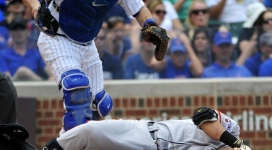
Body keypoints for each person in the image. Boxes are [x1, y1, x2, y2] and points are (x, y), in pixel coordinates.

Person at [22, 0, 169, 132]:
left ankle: (64, 143)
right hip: (58, 37)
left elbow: (139, 9)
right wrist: (36, 7)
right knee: (76, 89)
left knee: (100, 105)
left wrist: (150, 25)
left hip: (88, 46)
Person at [42, 107, 251, 150]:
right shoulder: (232, 131)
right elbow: (202, 115)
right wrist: (235, 143)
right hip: (145, 133)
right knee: (90, 132)